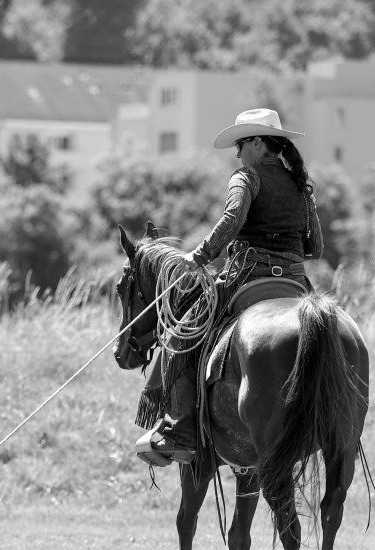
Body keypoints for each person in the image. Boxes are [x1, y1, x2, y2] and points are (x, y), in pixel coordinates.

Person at [136, 108, 324, 466]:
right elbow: (315, 248)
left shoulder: (246, 178)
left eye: (241, 144)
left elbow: (232, 219)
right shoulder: (302, 186)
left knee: (182, 335)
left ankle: (182, 430)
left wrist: (200, 256)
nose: (237, 153)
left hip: (248, 275)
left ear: (258, 142)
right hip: (296, 281)